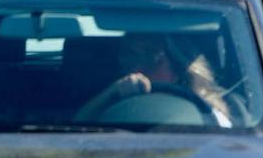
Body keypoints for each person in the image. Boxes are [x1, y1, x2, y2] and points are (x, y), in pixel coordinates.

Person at [76, 33, 233, 126]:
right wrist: (112, 93)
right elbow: (79, 127)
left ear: (178, 66)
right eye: (129, 56)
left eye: (151, 57)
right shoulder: (111, 101)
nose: (137, 67)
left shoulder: (208, 110)